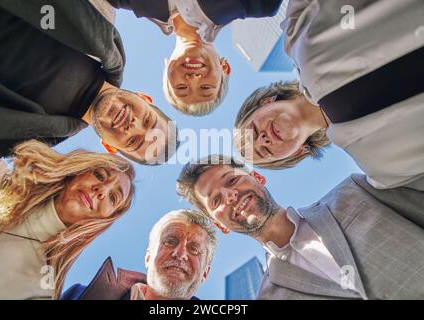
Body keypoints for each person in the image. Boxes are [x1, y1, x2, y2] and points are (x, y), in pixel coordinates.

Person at [234, 0, 424, 190]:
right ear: (298, 153)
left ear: (266, 102)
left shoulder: (298, 31)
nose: (264, 139)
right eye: (265, 150)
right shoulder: (383, 169)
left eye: (255, 131)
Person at [177, 155, 424, 299]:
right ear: (221, 226)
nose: (230, 195)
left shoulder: (356, 192)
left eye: (232, 180)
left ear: (258, 177)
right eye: (216, 200)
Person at [0, 0, 177, 164]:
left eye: (133, 141)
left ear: (109, 147)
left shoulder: (33, 139)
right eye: (148, 121)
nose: (133, 126)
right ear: (144, 97)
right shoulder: (102, 17)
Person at [0, 140, 135, 299]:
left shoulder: (40, 289)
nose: (101, 190)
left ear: (106, 218)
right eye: (99, 175)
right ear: (78, 171)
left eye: (113, 197)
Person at [113, 0, 282, 116]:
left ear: (166, 70)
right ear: (225, 67)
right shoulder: (260, 4)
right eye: (206, 87)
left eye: (181, 87)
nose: (193, 79)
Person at [62, 209, 217, 300]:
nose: (180, 254)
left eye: (194, 249)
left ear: (205, 273)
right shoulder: (77, 295)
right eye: (170, 241)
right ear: (148, 257)